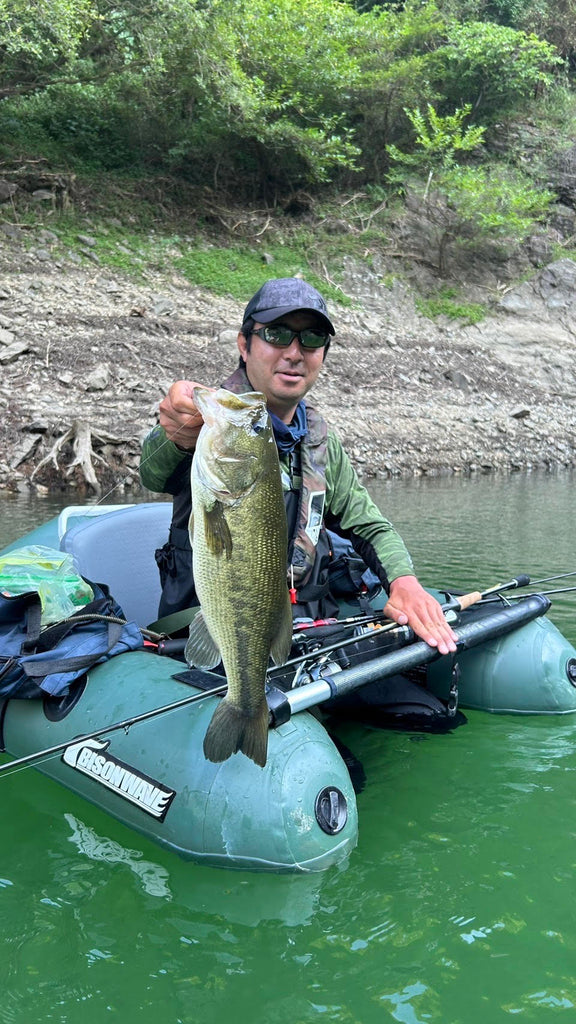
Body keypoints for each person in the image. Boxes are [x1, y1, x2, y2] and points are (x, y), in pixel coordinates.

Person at [140, 277, 457, 655]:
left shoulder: (319, 438)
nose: (294, 352)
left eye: (311, 339)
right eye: (276, 334)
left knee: (422, 711)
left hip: (307, 631)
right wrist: (174, 434)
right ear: (244, 344)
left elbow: (368, 523)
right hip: (217, 629)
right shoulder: (213, 423)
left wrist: (405, 582)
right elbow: (154, 472)